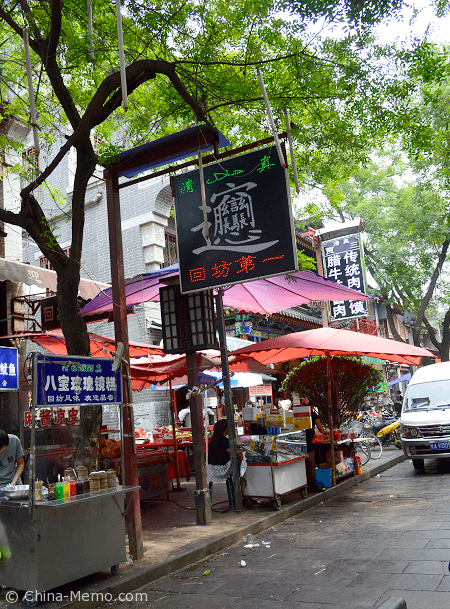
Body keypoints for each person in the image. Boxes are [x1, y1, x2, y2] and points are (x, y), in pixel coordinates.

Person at [207, 419, 235, 508]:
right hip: (223, 469)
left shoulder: (213, 440)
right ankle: (238, 495)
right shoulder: (223, 440)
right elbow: (233, 452)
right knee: (241, 467)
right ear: (226, 429)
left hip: (211, 469)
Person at [303, 399, 326, 492]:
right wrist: (326, 432)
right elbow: (321, 429)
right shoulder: (313, 415)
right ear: (311, 407)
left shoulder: (297, 415)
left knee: (303, 466)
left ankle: (305, 484)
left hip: (299, 441)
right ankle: (314, 486)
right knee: (311, 465)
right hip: (308, 442)